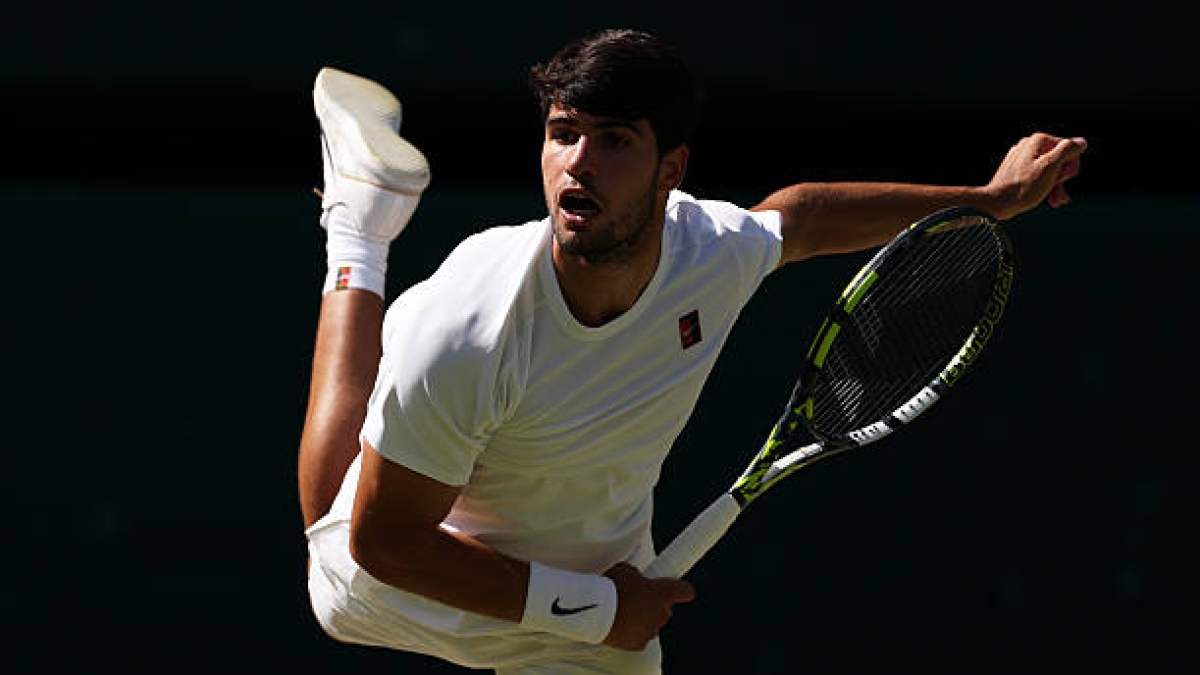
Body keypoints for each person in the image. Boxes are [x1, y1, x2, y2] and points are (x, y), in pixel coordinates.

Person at [298, 28, 1085, 674]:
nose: (578, 162)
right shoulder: (469, 325)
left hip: (598, 619)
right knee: (335, 511)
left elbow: (805, 218)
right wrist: (596, 607)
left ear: (670, 168)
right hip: (422, 591)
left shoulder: (709, 253)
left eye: (613, 140)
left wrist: (990, 200)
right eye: (562, 134)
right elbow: (385, 542)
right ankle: (359, 227)